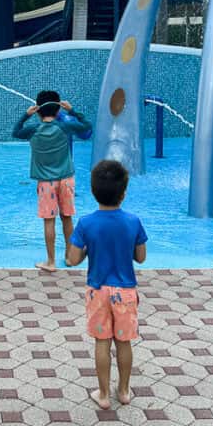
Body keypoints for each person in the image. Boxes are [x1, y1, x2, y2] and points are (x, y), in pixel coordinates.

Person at [66, 159, 147, 410]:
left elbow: (73, 258)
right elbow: (141, 257)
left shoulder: (86, 223)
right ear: (123, 194)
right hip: (125, 292)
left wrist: (90, 247)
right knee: (124, 342)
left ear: (93, 191)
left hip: (98, 291)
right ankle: (123, 391)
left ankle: (102, 394)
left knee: (102, 342)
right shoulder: (133, 222)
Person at [13, 90, 92, 272]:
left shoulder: (33, 130)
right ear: (58, 111)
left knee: (49, 221)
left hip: (46, 183)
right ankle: (70, 257)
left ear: (38, 111)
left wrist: (26, 115)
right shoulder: (65, 127)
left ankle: (50, 261)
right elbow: (87, 126)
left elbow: (15, 132)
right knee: (67, 218)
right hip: (66, 179)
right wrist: (72, 112)